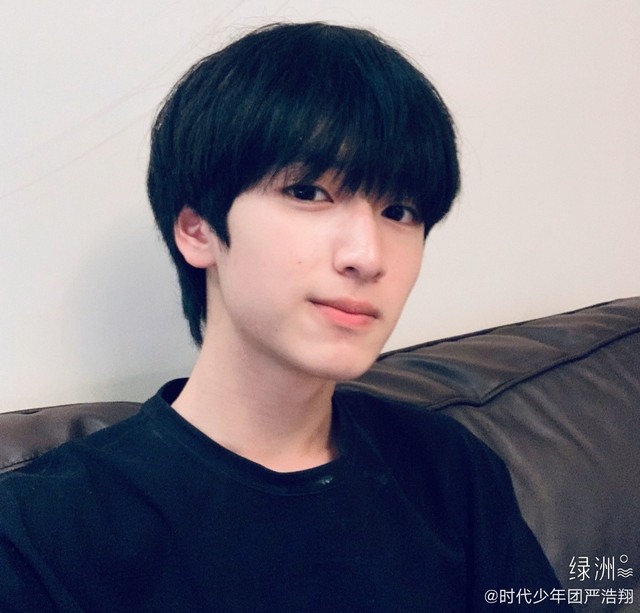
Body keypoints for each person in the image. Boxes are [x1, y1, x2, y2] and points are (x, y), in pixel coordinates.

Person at [0, 22, 569, 611]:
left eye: (399, 210)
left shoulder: (449, 467)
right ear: (198, 230)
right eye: (309, 192)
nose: (368, 256)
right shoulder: (42, 536)